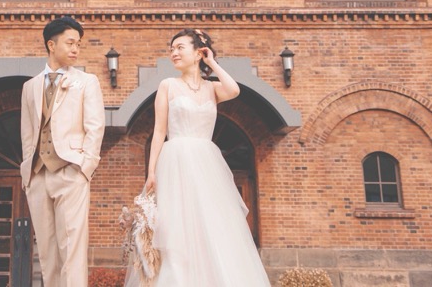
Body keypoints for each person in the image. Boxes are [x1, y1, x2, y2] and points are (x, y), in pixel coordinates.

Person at [133, 28, 270, 286]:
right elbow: (159, 131)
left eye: (180, 48)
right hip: (175, 160)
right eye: (171, 49)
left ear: (198, 53)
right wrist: (151, 172)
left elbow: (234, 90)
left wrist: (212, 62)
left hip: (206, 163)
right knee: (177, 225)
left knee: (211, 223)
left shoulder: (212, 88)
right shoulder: (168, 85)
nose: (174, 53)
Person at [20, 16, 105, 287]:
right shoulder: (30, 87)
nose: (75, 49)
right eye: (70, 43)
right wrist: (27, 173)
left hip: (71, 171)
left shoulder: (87, 81)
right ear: (51, 44)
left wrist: (85, 168)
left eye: (78, 44)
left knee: (72, 250)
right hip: (37, 175)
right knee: (47, 254)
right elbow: (27, 133)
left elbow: (95, 127)